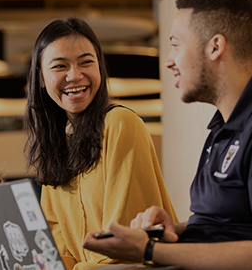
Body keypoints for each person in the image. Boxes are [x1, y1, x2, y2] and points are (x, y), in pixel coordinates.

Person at [82, 0, 252, 269]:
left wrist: (149, 249)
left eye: (176, 44)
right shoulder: (224, 125)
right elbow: (227, 225)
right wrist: (175, 230)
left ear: (215, 47)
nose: (169, 60)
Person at [23, 17, 178, 270]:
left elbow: (122, 246)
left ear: (100, 69)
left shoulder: (120, 124)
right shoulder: (57, 146)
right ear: (41, 78)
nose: (74, 75)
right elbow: (57, 250)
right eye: (59, 66)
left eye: (86, 62)